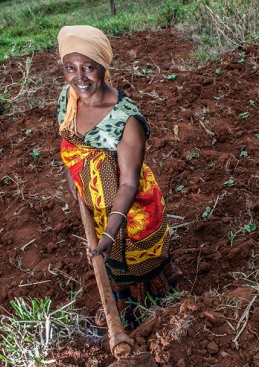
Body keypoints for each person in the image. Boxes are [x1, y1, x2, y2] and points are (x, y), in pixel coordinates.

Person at [56, 25, 177, 330]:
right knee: (110, 261)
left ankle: (150, 311)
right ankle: (124, 307)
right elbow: (72, 142)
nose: (79, 77)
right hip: (96, 202)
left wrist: (110, 232)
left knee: (134, 260)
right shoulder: (69, 97)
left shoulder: (126, 120)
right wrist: (74, 177)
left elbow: (128, 183)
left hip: (130, 208)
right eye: (71, 67)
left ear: (103, 67)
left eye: (89, 67)